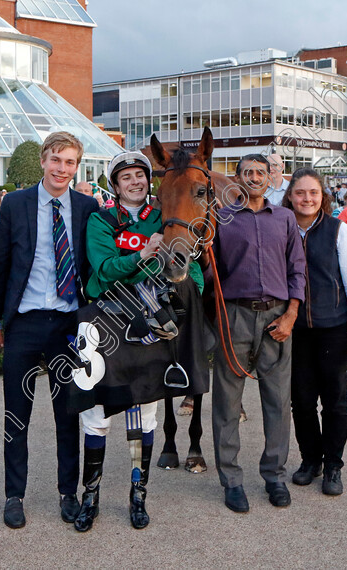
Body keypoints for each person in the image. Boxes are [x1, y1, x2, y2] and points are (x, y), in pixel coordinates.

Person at [71, 150, 205, 532]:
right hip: (106, 322)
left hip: (151, 324)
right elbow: (104, 269)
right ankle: (90, 497)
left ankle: (138, 495)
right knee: (96, 417)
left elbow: (190, 267)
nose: (135, 182)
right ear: (115, 185)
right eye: (126, 177)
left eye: (140, 176)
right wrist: (143, 256)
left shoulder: (164, 220)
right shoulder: (100, 220)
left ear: (150, 181)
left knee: (144, 415)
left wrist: (186, 297)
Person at [0, 131, 99, 529]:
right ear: (42, 160)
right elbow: (0, 265)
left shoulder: (88, 207)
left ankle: (67, 492)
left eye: (70, 162)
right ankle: (14, 495)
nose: (62, 169)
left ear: (77, 167)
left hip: (68, 327)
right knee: (16, 415)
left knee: (67, 415)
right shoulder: (15, 204)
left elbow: (95, 262)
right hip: (24, 323)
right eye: (56, 160)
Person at [210, 153, 306, 514]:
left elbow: (297, 270)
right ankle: (232, 481)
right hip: (234, 316)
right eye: (247, 172)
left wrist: (291, 314)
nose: (254, 177)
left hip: (277, 318)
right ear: (237, 178)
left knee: (278, 401)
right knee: (227, 403)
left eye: (260, 172)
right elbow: (212, 272)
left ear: (271, 178)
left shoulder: (284, 218)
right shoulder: (221, 218)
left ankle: (275, 476)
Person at [281, 168, 347, 497]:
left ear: (322, 196)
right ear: (290, 195)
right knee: (302, 403)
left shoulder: (338, 231)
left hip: (334, 328)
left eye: (313, 193)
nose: (307, 199)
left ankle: (333, 465)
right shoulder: (283, 228)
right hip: (296, 331)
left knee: (334, 403)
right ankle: (310, 461)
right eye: (300, 193)